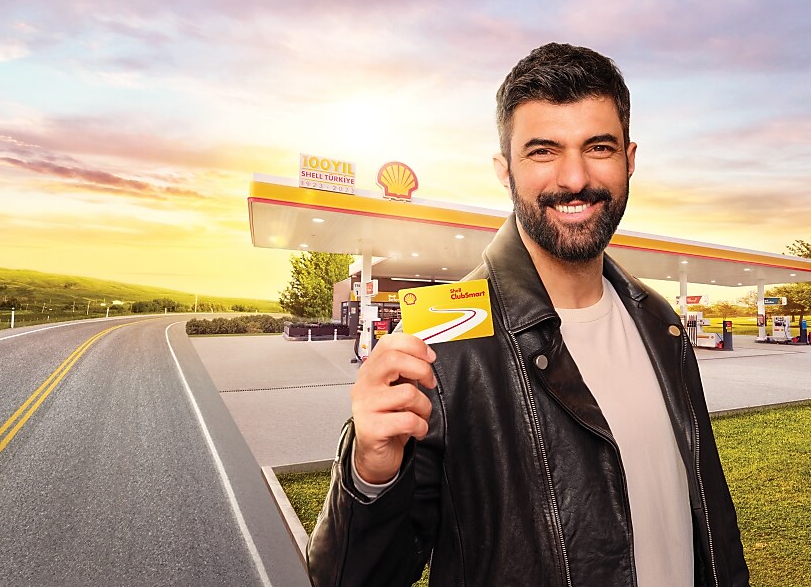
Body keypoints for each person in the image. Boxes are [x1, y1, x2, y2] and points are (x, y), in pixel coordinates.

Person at [307, 43, 750, 586]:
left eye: (599, 147)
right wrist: (370, 475)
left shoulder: (661, 323)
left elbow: (709, 518)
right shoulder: (437, 343)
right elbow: (352, 579)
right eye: (543, 151)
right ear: (505, 170)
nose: (573, 178)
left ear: (630, 160)